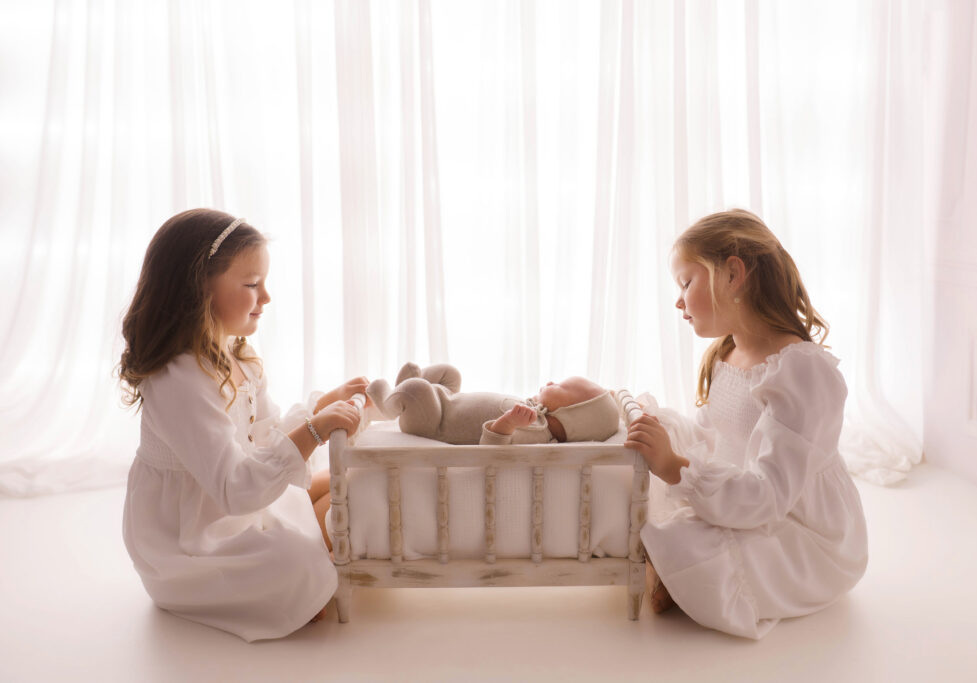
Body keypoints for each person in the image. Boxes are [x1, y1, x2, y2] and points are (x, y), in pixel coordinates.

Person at [118, 209, 368, 641]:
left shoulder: (236, 354)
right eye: (252, 285)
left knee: (354, 482)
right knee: (298, 556)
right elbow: (235, 489)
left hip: (234, 501)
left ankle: (320, 556)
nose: (266, 297)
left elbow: (263, 439)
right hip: (189, 536)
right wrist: (314, 431)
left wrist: (319, 409)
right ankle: (305, 573)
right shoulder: (177, 377)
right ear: (197, 292)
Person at [625, 209, 868, 639]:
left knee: (685, 538)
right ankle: (668, 568)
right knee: (660, 469)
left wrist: (676, 469)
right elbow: (711, 436)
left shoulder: (800, 373)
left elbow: (770, 496)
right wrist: (662, 438)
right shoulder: (728, 354)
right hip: (744, 496)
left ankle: (672, 573)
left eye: (686, 283)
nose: (678, 301)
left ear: (733, 274)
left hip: (800, 528)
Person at [366, 362, 621, 445]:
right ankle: (407, 393)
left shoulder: (535, 430)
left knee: (417, 390)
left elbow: (492, 449)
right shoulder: (534, 412)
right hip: (447, 402)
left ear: (568, 413)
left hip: (434, 422)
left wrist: (508, 423)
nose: (551, 382)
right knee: (450, 374)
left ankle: (390, 403)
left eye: (560, 386)